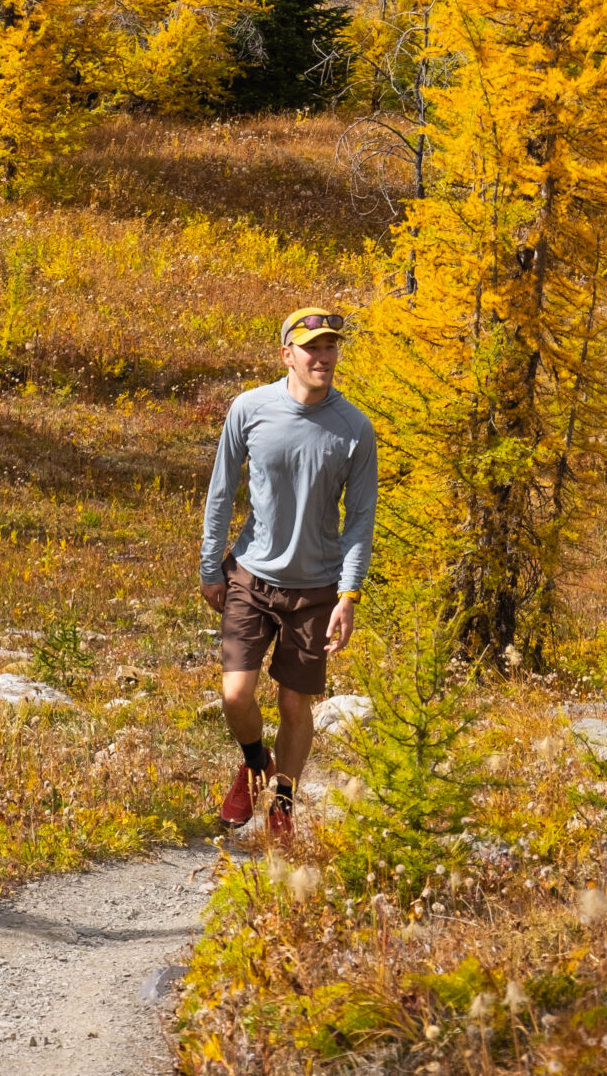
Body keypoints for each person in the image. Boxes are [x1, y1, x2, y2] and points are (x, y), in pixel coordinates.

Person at [199, 305, 378, 844]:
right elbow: (221, 489)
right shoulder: (250, 409)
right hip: (250, 577)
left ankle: (282, 800)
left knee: (295, 703)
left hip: (318, 589)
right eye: (312, 348)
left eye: (330, 347)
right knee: (235, 696)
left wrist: (349, 593)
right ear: (287, 355)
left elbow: (361, 518)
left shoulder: (354, 429)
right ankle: (255, 763)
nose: (323, 357)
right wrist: (211, 566)